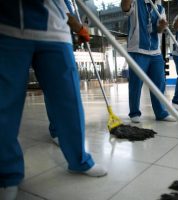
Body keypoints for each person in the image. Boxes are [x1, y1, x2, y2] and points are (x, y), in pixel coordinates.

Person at [0, 1, 106, 199]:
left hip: (55, 30)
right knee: (4, 106)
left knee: (69, 101)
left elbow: (66, 9)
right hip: (8, 27)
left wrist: (78, 27)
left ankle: (79, 160)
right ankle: (7, 174)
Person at [121, 0, 176, 123]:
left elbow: (159, 30)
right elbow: (125, 7)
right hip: (137, 49)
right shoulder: (136, 2)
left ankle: (161, 113)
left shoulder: (160, 8)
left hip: (155, 52)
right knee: (136, 83)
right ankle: (134, 112)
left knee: (159, 83)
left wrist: (162, 26)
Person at [46, 0, 90, 145]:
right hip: (50, 38)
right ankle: (57, 130)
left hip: (63, 40)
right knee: (56, 88)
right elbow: (65, 15)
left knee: (66, 88)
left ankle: (64, 128)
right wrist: (81, 29)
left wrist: (75, 35)